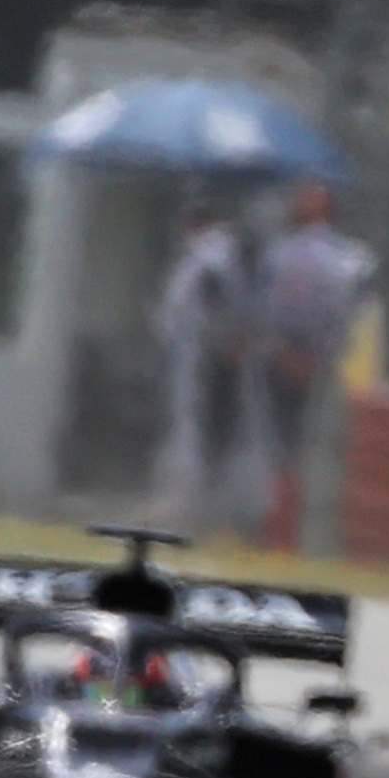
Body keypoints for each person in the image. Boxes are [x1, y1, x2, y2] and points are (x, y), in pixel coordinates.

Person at [250, 182, 378, 552]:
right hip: (296, 360)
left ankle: (297, 531)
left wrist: (309, 353)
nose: (297, 202)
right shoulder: (284, 252)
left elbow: (352, 314)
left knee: (301, 447)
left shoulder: (346, 258)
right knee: (284, 447)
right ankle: (278, 529)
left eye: (308, 198)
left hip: (313, 363)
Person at [150, 197, 252, 535]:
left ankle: (192, 502)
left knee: (195, 428)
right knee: (194, 427)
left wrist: (223, 338)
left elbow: (220, 301)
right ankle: (191, 499)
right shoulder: (209, 254)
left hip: (203, 356)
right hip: (195, 353)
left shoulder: (213, 256)